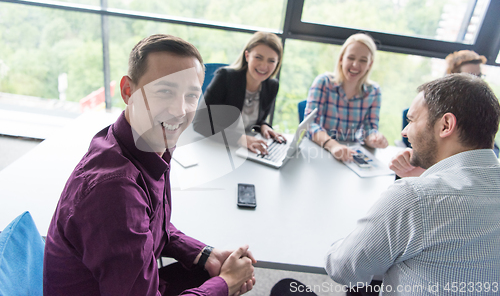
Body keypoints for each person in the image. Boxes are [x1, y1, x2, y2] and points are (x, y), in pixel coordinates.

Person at [43, 34, 256, 296]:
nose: (179, 110)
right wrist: (226, 284)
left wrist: (204, 254)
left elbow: (152, 225)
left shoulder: (141, 141)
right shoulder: (114, 190)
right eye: (164, 91)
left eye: (191, 95)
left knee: (208, 272)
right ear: (127, 91)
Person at [326, 74, 500, 295]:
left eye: (411, 120)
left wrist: (344, 241)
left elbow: (343, 269)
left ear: (446, 125)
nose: (404, 132)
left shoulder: (416, 197)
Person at [193, 31, 285, 155]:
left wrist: (264, 126)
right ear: (247, 56)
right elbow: (199, 124)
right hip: (215, 148)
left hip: (242, 151)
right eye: (258, 57)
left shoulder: (271, 86)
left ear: (277, 63)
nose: (264, 66)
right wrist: (241, 139)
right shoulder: (225, 77)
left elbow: (256, 121)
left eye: (271, 61)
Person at [304, 33, 388, 162]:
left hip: (349, 155)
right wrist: (333, 145)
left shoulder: (374, 92)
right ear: (341, 59)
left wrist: (374, 138)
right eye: (351, 58)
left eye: (363, 60)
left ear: (370, 64)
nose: (355, 65)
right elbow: (310, 125)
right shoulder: (323, 82)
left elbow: (369, 128)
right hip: (320, 151)